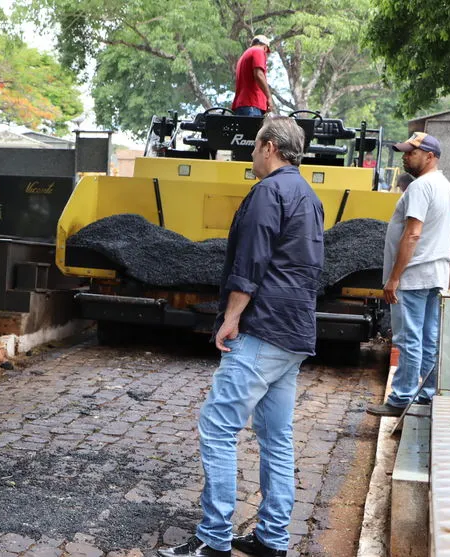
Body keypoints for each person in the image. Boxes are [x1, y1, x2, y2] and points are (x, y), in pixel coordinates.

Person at [158, 117, 324, 557]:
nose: (250, 155)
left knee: (217, 429)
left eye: (253, 147)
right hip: (294, 332)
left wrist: (231, 317)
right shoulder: (308, 195)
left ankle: (213, 540)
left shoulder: (268, 193)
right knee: (277, 437)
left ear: (269, 146)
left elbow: (250, 264)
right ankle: (271, 539)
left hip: (262, 329)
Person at [366, 133, 450, 417]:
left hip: (413, 275)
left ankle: (401, 398)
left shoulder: (420, 187)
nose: (405, 157)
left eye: (410, 153)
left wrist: (394, 278)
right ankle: (426, 395)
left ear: (429, 156)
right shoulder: (445, 186)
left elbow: (413, 234)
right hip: (436, 273)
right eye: (404, 152)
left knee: (408, 338)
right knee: (428, 338)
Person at [231, 35, 276, 117]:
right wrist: (269, 97)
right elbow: (259, 75)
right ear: (265, 48)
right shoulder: (258, 51)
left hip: (241, 106)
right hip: (252, 105)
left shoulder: (243, 56)